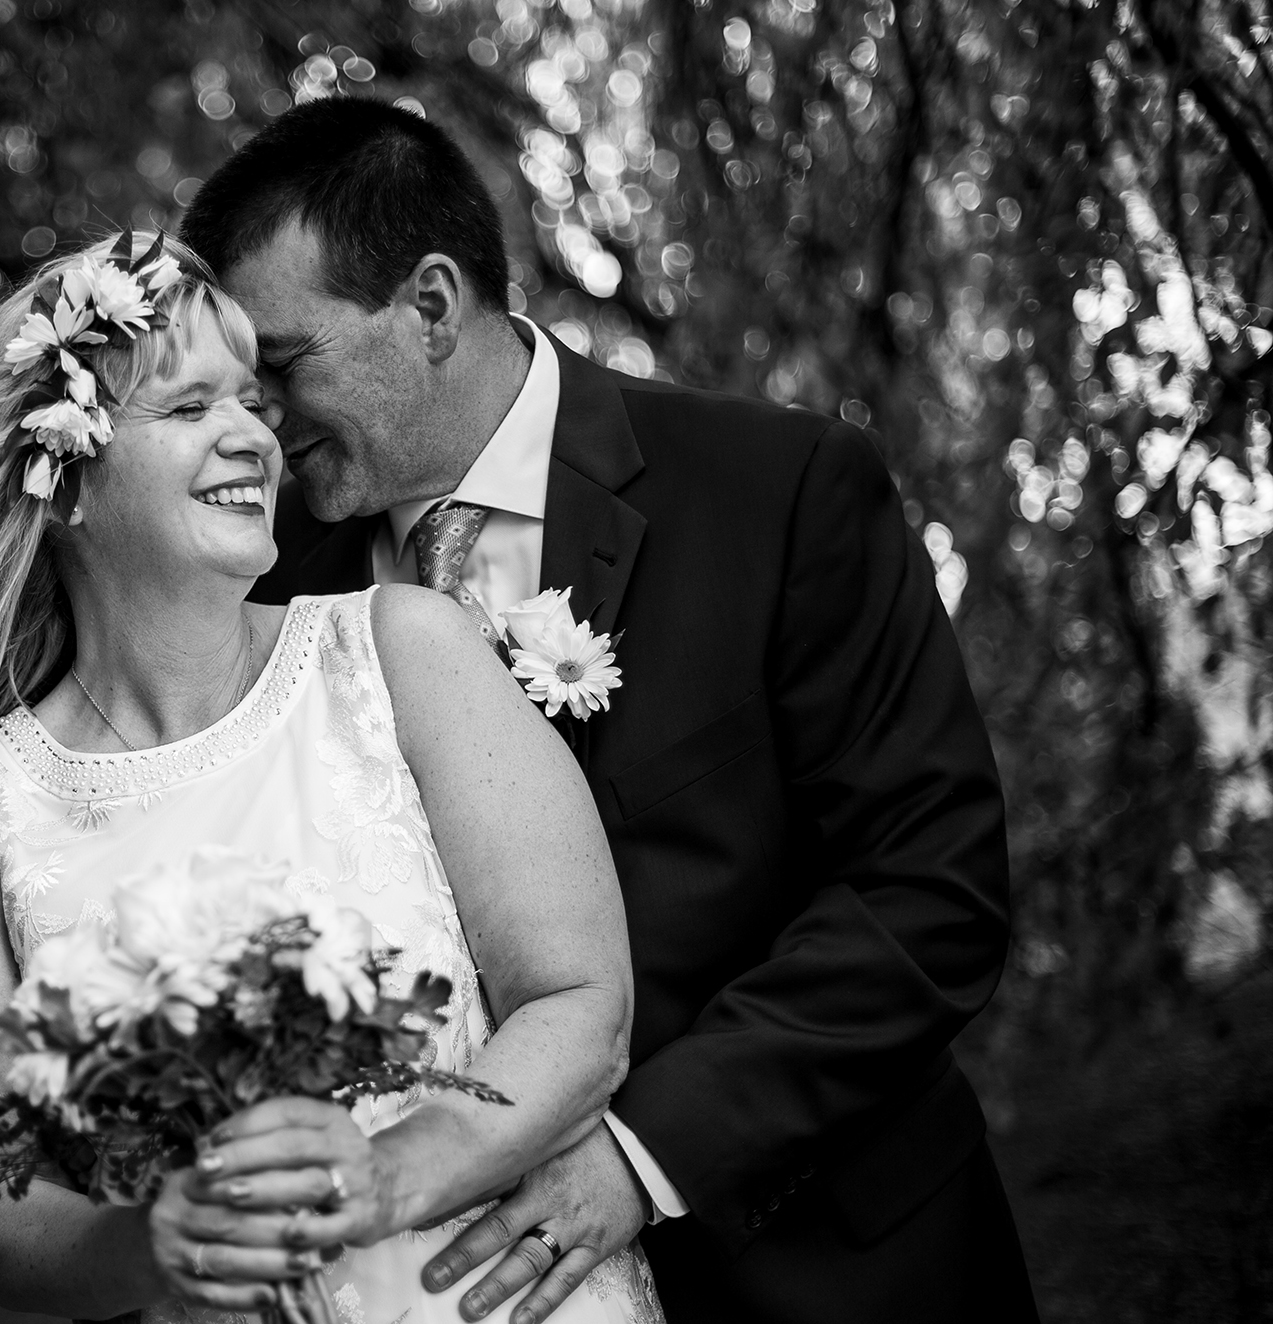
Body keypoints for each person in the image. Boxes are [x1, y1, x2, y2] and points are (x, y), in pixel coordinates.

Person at [180, 97, 1037, 1324]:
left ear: (429, 305)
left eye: (280, 363)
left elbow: (928, 894)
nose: (253, 418)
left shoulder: (773, 492)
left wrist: (641, 1155)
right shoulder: (271, 597)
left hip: (831, 1265)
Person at [0, 232, 666, 1323]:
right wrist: (150, 1244)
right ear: (64, 479)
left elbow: (581, 1006)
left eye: (250, 401)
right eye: (190, 410)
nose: (252, 436)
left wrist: (392, 1172)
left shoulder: (404, 652)